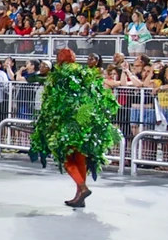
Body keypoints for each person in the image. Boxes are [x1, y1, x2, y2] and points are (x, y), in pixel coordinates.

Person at [29, 49, 120, 207]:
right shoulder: (83, 72)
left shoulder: (58, 75)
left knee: (65, 156)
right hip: (84, 120)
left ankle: (82, 188)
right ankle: (80, 197)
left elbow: (52, 99)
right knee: (79, 157)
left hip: (66, 121)